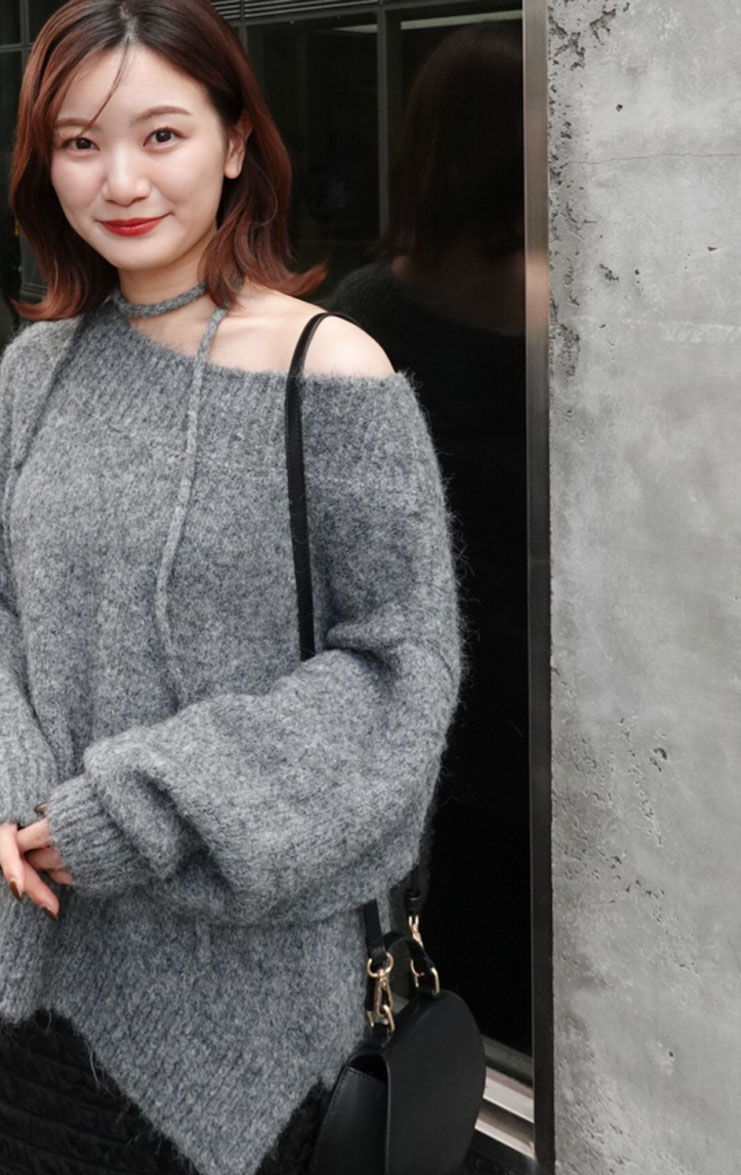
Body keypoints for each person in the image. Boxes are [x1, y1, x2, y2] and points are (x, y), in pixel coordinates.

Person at [0, 1, 460, 1175]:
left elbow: (397, 674)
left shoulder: (331, 368)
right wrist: (5, 790)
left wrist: (136, 808)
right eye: (78, 142)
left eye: (160, 134)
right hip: (44, 982)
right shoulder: (39, 371)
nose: (119, 178)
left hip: (251, 1015)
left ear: (234, 142)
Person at [331, 22, 530, 1051]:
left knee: (439, 972)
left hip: (428, 714)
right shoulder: (581, 309)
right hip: (553, 703)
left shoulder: (365, 318)